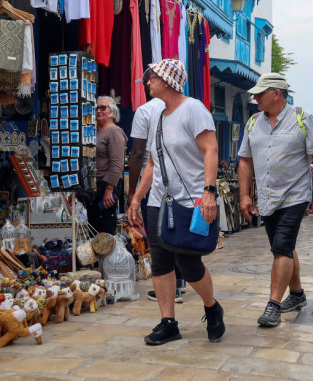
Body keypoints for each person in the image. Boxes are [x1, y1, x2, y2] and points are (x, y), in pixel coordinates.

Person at [127, 58, 225, 345]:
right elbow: (152, 164)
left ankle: (211, 306)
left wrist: (209, 192)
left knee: (188, 262)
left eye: (152, 77)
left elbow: (211, 150)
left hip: (191, 199)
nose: (147, 82)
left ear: (168, 80)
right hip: (160, 200)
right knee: (160, 260)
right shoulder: (157, 116)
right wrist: (137, 198)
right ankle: (168, 322)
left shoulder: (193, 109)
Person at [237, 72, 313, 328]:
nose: (255, 98)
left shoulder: (304, 119)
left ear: (276, 93)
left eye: (260, 93)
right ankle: (297, 294)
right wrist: (245, 194)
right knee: (284, 248)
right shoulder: (253, 122)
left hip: (294, 196)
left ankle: (273, 305)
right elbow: (245, 161)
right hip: (266, 198)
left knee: (281, 248)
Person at [128, 68, 184, 303]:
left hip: (155, 180)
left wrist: (133, 191)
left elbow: (139, 153)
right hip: (180, 179)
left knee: (159, 237)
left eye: (149, 80)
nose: (146, 85)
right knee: (176, 231)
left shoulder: (145, 111)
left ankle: (171, 288)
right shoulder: (185, 107)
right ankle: (179, 282)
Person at [91, 95, 128, 235]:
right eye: (96, 108)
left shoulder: (114, 131)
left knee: (104, 232)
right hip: (94, 188)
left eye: (103, 108)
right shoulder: (95, 131)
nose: (98, 111)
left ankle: (107, 258)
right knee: (94, 231)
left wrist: (109, 189)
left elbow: (117, 164)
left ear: (112, 111)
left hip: (105, 188)